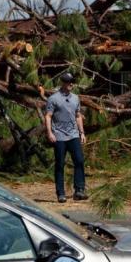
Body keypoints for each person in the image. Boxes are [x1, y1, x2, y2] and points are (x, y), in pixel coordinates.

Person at [44, 72, 87, 203]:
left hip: (73, 135)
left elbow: (78, 115)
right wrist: (50, 133)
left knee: (79, 160)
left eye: (72, 81)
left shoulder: (75, 98)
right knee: (60, 164)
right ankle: (60, 193)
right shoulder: (53, 98)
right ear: (63, 83)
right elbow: (48, 116)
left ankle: (79, 190)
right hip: (59, 136)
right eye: (69, 82)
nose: (71, 84)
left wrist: (82, 132)